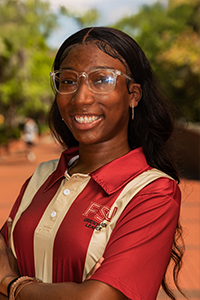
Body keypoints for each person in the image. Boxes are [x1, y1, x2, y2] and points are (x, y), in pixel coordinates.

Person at [0, 27, 185, 300]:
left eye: (102, 80)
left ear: (133, 94)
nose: (81, 98)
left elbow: (95, 298)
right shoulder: (44, 175)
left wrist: (11, 284)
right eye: (68, 81)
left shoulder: (153, 193)